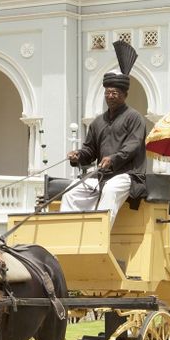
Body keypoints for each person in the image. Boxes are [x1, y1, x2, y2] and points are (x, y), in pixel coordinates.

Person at [61, 41, 146, 222]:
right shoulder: (98, 121)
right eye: (107, 92)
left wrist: (113, 159)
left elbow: (133, 146)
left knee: (110, 190)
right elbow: (90, 150)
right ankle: (69, 233)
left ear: (125, 95)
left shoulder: (135, 117)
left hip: (128, 176)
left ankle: (99, 238)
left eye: (115, 92)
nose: (110, 95)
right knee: (72, 190)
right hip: (102, 176)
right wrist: (79, 155)